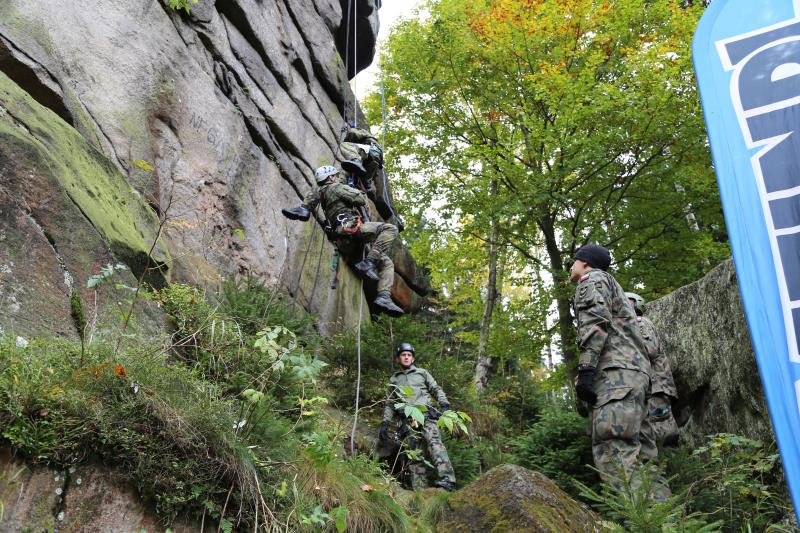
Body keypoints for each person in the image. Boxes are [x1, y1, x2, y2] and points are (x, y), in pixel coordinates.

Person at [569, 243, 656, 489]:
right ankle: (665, 521)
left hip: (615, 379)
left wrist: (586, 370)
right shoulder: (614, 288)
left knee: (615, 452)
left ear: (585, 262)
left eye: (574, 261)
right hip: (637, 379)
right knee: (646, 460)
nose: (571, 267)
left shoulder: (592, 280)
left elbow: (595, 323)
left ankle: (639, 524)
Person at [282, 165, 403, 316]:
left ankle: (384, 297)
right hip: (352, 230)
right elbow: (359, 199)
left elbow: (314, 199)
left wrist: (305, 208)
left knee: (386, 262)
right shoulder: (336, 187)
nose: (337, 178)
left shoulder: (320, 192)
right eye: (336, 176)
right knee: (389, 229)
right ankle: (372, 268)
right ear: (331, 177)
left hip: (344, 242)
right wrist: (357, 191)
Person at [379, 342, 456, 491]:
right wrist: (385, 423)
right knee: (414, 455)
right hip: (407, 422)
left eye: (409, 355)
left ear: (413, 359)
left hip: (426, 415)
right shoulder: (394, 380)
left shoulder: (422, 373)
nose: (406, 357)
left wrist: (444, 404)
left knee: (435, 444)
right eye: (403, 355)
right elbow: (390, 403)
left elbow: (436, 388)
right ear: (398, 359)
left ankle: (448, 480)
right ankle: (420, 491)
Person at [625, 292, 680, 449]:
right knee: (651, 433)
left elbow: (649, 349)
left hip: (656, 388)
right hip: (649, 389)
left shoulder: (640, 323)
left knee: (663, 433)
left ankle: (673, 469)